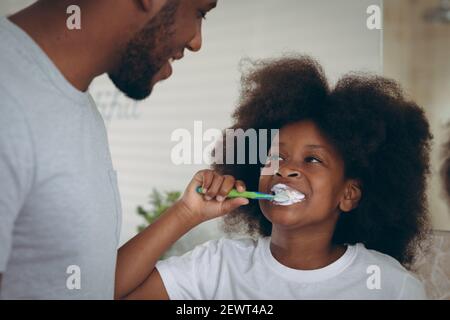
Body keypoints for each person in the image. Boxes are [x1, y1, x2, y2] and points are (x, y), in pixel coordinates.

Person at [115, 55, 432, 299]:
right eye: (274, 157)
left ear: (348, 194)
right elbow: (97, 292)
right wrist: (185, 212)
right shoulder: (218, 266)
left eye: (312, 159)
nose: (284, 169)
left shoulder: (391, 285)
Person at [0, 0, 217, 299]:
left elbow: (88, 286)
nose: (196, 41)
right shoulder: (9, 95)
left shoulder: (74, 101)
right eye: (200, 12)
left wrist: (186, 212)